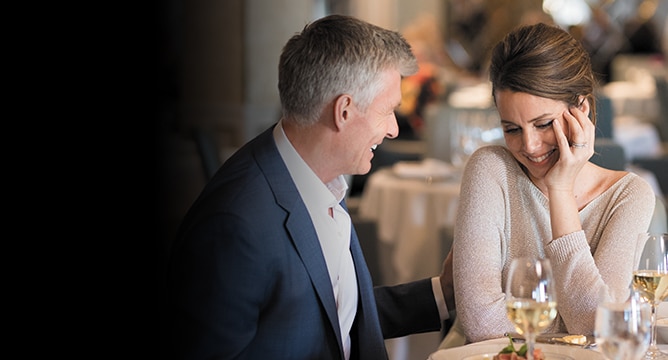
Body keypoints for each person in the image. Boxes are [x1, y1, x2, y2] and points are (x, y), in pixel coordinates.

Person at [163, 14, 454, 360]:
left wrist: (442, 295)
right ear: (343, 111)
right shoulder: (234, 227)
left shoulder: (318, 173)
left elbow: (330, 314)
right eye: (387, 111)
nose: (393, 129)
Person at [451, 23, 656, 343]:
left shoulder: (630, 195)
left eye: (543, 124)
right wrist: (568, 323)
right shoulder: (490, 169)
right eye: (512, 129)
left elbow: (595, 325)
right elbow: (481, 324)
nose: (529, 146)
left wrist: (560, 192)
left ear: (582, 110)